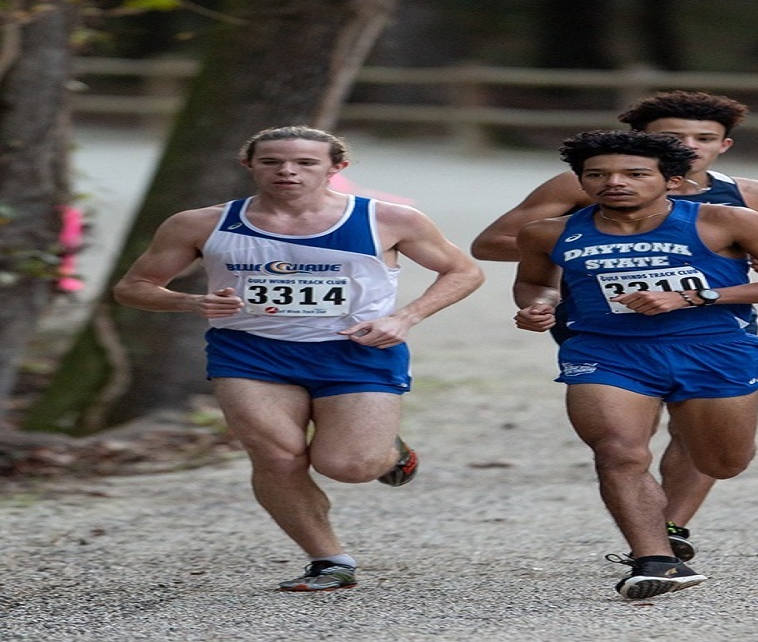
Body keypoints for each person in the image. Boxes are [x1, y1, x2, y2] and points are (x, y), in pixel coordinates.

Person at [113, 125, 484, 592]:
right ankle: (329, 560)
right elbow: (132, 288)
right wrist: (192, 302)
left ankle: (390, 454)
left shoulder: (389, 219)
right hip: (250, 354)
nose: (287, 170)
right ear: (249, 165)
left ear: (336, 168)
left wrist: (405, 318)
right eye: (271, 161)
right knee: (276, 457)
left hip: (357, 351)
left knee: (349, 465)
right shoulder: (200, 223)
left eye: (305, 162)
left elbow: (464, 271)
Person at [472, 90, 758, 560]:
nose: (690, 146)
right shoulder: (580, 190)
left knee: (713, 448)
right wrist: (591, 250)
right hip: (599, 331)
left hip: (711, 334)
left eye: (703, 138)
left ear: (723, 145)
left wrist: (746, 257)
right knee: (622, 446)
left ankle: (670, 520)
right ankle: (653, 550)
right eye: (673, 137)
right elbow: (495, 245)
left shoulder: (750, 202)